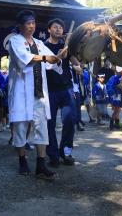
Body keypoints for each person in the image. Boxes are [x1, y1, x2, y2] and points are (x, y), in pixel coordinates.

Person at [6, 10, 64, 179]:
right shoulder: (14, 41)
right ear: (20, 26)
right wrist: (47, 58)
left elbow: (51, 59)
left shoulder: (39, 43)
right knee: (21, 127)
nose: (31, 26)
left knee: (41, 128)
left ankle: (40, 164)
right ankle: (22, 160)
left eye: (33, 23)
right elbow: (25, 58)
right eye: (28, 23)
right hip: (21, 92)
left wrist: (59, 57)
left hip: (38, 92)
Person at [44, 18, 78, 167]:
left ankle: (66, 151)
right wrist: (57, 57)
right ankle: (53, 155)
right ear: (49, 30)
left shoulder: (66, 46)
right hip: (50, 90)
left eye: (61, 28)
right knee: (49, 123)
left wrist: (77, 65)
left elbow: (74, 60)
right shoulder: (42, 46)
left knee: (70, 119)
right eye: (55, 27)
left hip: (66, 88)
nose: (58, 30)